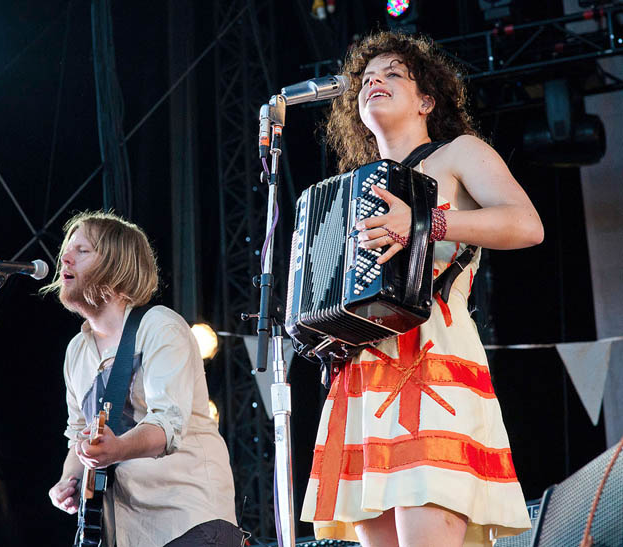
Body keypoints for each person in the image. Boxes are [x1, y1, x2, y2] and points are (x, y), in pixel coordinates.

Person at [300, 32, 544, 546]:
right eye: (368, 78)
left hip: (433, 354)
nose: (374, 82)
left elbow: (526, 226)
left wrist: (424, 223)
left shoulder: (458, 154)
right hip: (364, 371)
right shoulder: (355, 189)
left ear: (426, 100)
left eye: (392, 75)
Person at [45, 211, 242, 547]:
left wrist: (118, 448)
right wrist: (67, 481)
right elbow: (79, 434)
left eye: (82, 250)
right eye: (68, 248)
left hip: (188, 521)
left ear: (116, 265)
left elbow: (166, 424)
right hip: (125, 532)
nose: (65, 256)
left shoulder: (160, 326)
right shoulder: (77, 350)